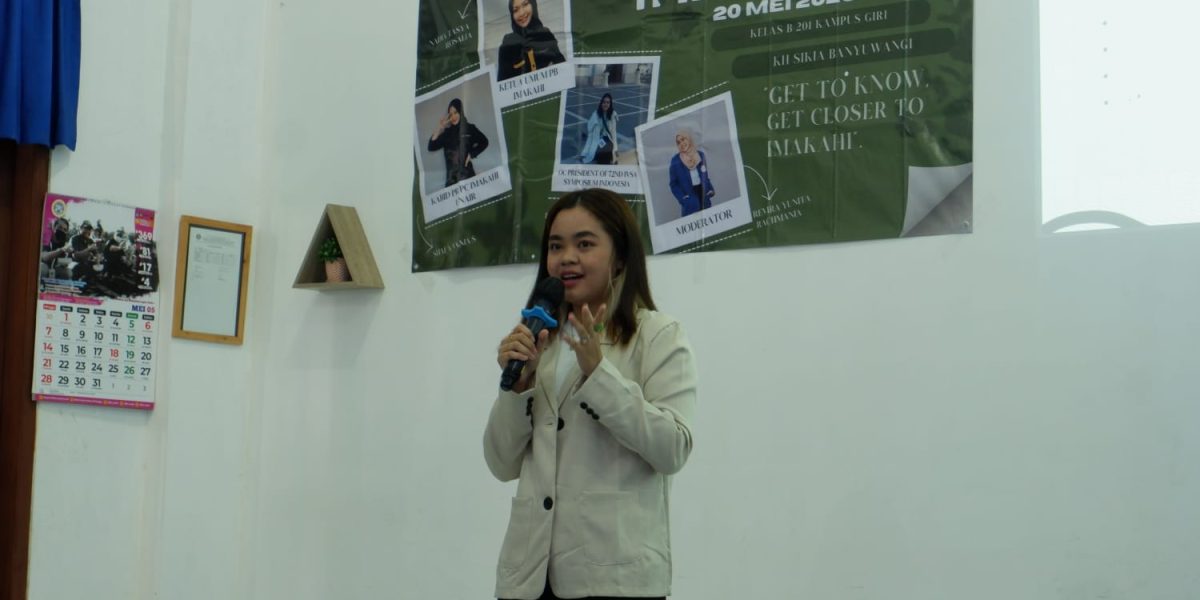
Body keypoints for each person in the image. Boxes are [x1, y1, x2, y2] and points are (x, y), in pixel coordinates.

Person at [486, 188, 698, 600]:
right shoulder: (540, 339)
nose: (566, 258)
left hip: (615, 578)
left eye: (584, 244)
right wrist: (518, 388)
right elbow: (500, 463)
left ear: (619, 256)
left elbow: (672, 449)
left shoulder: (658, 335)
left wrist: (599, 374)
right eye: (555, 246)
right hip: (528, 578)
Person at [427, 98, 490, 187]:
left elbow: (484, 141)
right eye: (451, 114)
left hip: (468, 177)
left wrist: (472, 154)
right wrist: (440, 127)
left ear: (460, 112)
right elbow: (431, 147)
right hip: (451, 182)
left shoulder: (470, 128)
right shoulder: (447, 133)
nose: (453, 117)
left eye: (455, 112)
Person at [497, 0, 565, 82]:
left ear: (533, 5)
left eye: (525, 4)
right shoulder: (508, 43)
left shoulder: (545, 34)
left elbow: (563, 70)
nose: (522, 13)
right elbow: (502, 84)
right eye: (516, 10)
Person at [667, 127, 715, 217]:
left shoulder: (700, 155)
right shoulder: (675, 161)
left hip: (704, 196)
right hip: (690, 202)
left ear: (689, 139)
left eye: (683, 139)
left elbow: (705, 176)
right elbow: (673, 184)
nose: (681, 143)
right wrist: (683, 198)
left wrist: (710, 189)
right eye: (678, 142)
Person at [578, 93, 618, 165]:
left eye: (608, 102)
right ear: (601, 103)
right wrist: (584, 152)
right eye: (604, 102)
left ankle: (608, 159)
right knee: (598, 155)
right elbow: (590, 132)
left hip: (608, 141)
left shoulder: (612, 114)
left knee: (606, 156)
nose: (605, 104)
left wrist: (615, 149)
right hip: (598, 140)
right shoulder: (595, 114)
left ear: (610, 104)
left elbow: (613, 133)